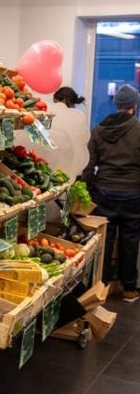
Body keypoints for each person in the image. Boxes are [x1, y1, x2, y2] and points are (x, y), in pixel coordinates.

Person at [82, 84, 140, 302]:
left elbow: (88, 165)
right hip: (133, 194)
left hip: (104, 192)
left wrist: (90, 190)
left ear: (117, 105)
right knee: (130, 240)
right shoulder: (138, 130)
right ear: (134, 106)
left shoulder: (98, 130)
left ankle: (101, 286)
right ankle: (129, 289)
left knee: (105, 240)